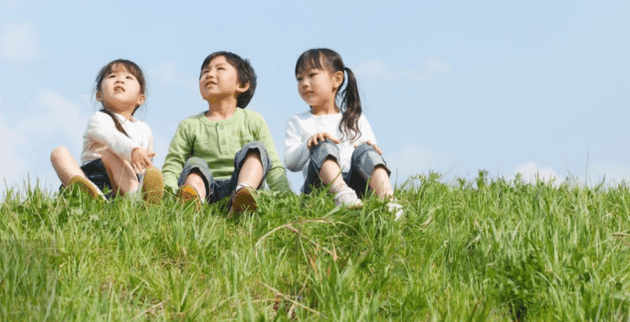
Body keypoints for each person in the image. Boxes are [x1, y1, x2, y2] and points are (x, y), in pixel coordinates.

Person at [162, 51, 291, 214]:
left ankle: (242, 198)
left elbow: (272, 163)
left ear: (242, 84)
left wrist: (286, 198)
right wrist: (167, 196)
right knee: (194, 165)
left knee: (256, 150)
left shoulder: (253, 120)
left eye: (220, 69)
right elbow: (174, 164)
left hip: (239, 183)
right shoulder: (189, 125)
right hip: (206, 189)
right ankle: (194, 208)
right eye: (205, 72)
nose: (210, 74)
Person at [284, 48, 402, 217]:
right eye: (299, 78)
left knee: (366, 150)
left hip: (357, 184)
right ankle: (341, 193)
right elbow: (290, 162)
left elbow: (370, 157)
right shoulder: (297, 121)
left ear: (337, 79)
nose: (304, 83)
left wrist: (372, 149)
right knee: (322, 143)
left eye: (312, 75)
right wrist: (310, 144)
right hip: (320, 189)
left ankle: (388, 201)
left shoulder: (356, 119)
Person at [50, 59, 163, 202]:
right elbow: (112, 137)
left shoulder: (144, 129)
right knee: (59, 153)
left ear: (140, 98)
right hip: (93, 177)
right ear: (99, 95)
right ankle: (89, 194)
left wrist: (146, 164)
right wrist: (134, 150)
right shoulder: (98, 118)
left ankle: (137, 198)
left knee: (145, 170)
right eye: (112, 76)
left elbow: (144, 163)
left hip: (126, 183)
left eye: (128, 77)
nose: (120, 80)